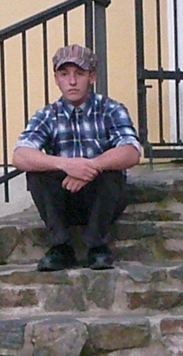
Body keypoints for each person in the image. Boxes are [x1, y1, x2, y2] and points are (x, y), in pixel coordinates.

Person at [12, 44, 141, 271]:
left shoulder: (111, 109)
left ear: (92, 77)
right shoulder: (47, 115)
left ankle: (97, 246)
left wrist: (91, 167)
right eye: (64, 74)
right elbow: (20, 155)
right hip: (64, 196)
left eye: (79, 74)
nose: (72, 81)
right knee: (37, 174)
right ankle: (61, 246)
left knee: (112, 173)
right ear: (56, 79)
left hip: (99, 196)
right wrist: (66, 165)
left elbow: (132, 151)